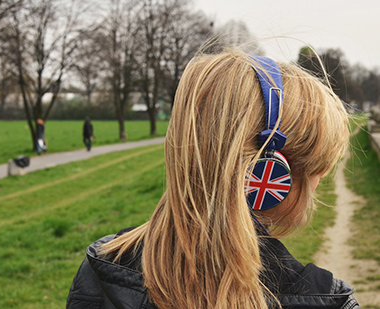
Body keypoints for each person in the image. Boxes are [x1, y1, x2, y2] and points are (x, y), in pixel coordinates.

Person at [66, 50, 359, 309]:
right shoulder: (327, 299)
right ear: (267, 174)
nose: (318, 180)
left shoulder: (103, 266)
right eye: (315, 169)